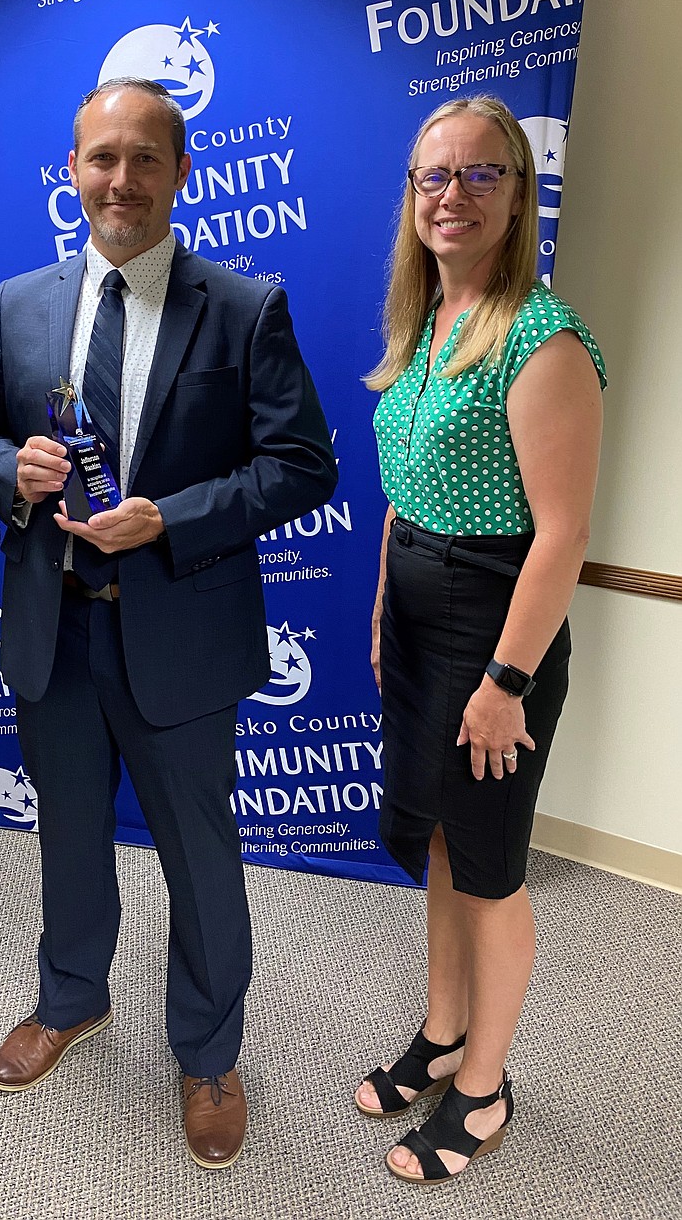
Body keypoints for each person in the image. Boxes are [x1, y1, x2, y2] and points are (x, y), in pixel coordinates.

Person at [0, 77, 337, 1168]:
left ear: (178, 173)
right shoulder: (22, 302)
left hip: (179, 636)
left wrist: (171, 515)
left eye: (143, 160)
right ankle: (70, 996)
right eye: (99, 158)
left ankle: (208, 1051)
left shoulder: (242, 303)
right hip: (53, 628)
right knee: (68, 831)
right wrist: (8, 473)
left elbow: (303, 464)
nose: (119, 180)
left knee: (199, 856)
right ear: (71, 169)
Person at [356, 95, 606, 1183]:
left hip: (493, 626)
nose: (449, 195)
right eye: (430, 176)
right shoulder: (423, 319)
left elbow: (561, 533)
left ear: (517, 193)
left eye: (476, 175)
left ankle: (483, 1086)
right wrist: (377, 609)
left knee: (493, 866)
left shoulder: (542, 339)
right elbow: (400, 497)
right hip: (413, 613)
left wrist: (505, 677)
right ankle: (441, 1030)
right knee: (444, 845)